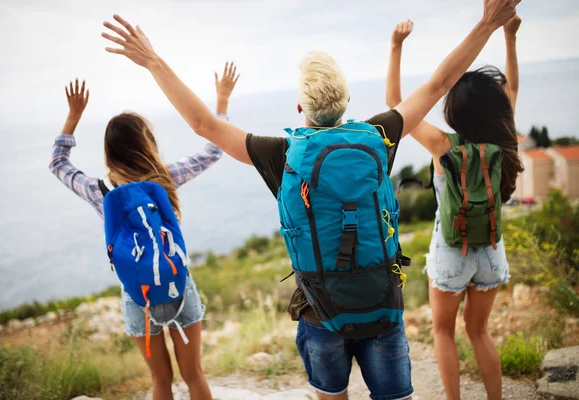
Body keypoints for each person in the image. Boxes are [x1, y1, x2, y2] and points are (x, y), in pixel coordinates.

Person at [100, 1, 519, 398]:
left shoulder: (282, 155)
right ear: (348, 101)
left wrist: (153, 61)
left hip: (321, 315)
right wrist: (486, 24)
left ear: (301, 105)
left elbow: (202, 124)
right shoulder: (379, 137)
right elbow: (440, 83)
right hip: (381, 309)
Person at [48, 64, 240, 400]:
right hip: (178, 285)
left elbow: (58, 164)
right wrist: (221, 100)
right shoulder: (164, 178)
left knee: (160, 381)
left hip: (138, 295)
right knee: (194, 375)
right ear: (145, 143)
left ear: (110, 150)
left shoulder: (100, 190)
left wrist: (73, 117)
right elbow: (214, 149)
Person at [386, 14, 524, 400]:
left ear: (454, 112)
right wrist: (509, 39)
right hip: (491, 249)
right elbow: (511, 89)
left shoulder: (441, 146)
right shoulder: (505, 138)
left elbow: (395, 104)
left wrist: (396, 46)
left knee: (443, 332)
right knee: (479, 331)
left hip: (451, 251)